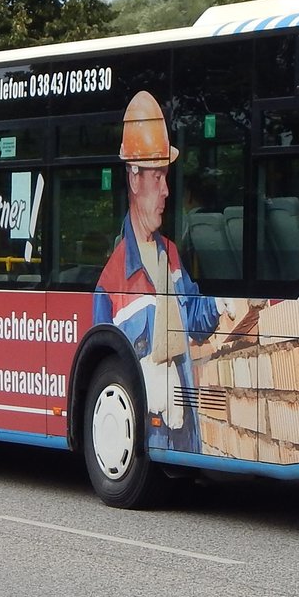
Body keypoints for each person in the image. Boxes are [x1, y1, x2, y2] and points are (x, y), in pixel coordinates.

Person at [92, 90, 236, 454]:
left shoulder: (169, 254)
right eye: (157, 177)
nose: (167, 190)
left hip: (184, 431)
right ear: (134, 179)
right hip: (149, 429)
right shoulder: (111, 283)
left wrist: (225, 301)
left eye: (166, 177)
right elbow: (97, 360)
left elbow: (193, 319)